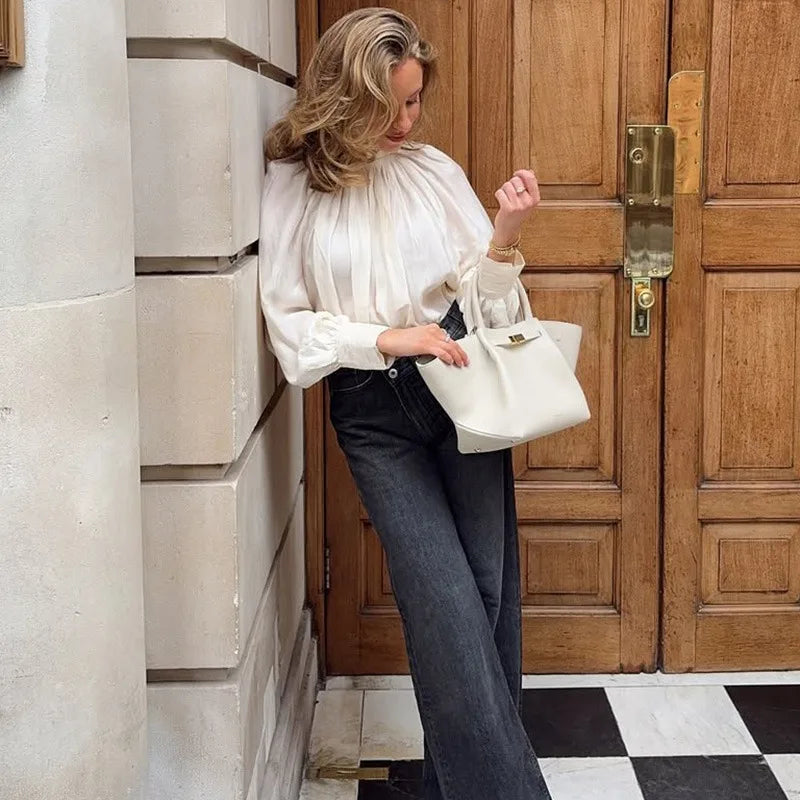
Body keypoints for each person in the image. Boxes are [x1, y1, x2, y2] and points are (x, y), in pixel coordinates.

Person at [258, 7, 552, 800]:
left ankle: (459, 786)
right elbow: (290, 327)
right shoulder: (297, 185)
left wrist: (504, 236)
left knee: (488, 595)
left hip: (462, 385)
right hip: (373, 409)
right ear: (341, 95)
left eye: (414, 101)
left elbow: (490, 305)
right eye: (385, 105)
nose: (402, 122)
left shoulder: (434, 171)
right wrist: (385, 342)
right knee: (446, 605)